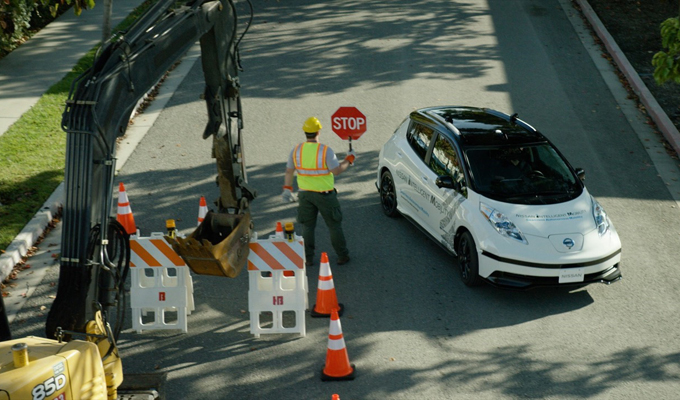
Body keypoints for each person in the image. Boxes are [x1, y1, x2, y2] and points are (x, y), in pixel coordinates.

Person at [282, 116, 356, 267]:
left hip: (305, 195)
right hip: (325, 195)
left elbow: (289, 171)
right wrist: (349, 159)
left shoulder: (296, 150)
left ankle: (308, 259)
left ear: (305, 132)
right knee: (334, 225)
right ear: (318, 132)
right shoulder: (325, 151)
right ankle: (342, 255)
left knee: (308, 227)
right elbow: (336, 171)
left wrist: (287, 189)